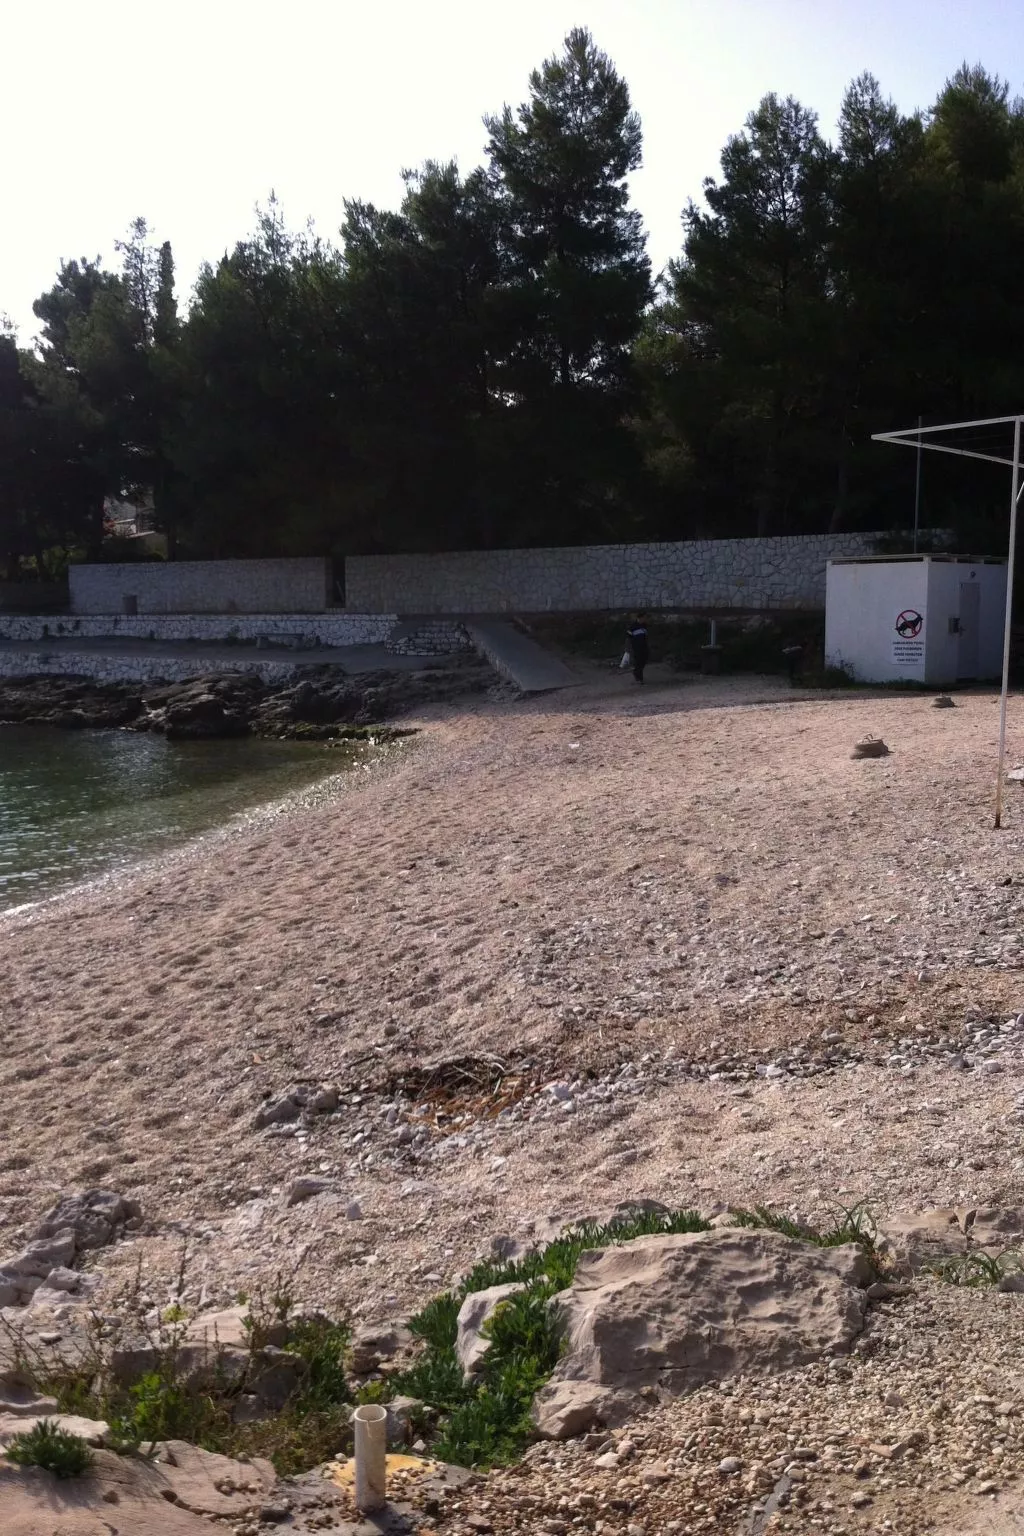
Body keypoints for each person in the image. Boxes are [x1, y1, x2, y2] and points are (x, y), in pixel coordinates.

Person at [626, 614, 649, 683]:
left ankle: (637, 673)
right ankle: (639, 677)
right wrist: (631, 644)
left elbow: (646, 635)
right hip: (636, 646)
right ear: (638, 618)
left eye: (644, 618)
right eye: (642, 618)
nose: (643, 620)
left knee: (643, 660)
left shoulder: (644, 626)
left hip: (644, 646)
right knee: (638, 661)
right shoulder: (633, 626)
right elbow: (628, 635)